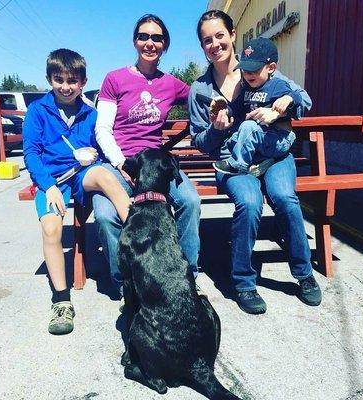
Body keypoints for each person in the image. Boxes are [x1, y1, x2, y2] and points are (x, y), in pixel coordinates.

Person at [189, 10, 322, 314]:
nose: (215, 44)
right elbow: (199, 141)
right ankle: (244, 282)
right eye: (207, 40)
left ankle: (304, 273)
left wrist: (281, 111)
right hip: (233, 162)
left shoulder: (258, 66)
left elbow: (301, 98)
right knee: (249, 204)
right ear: (202, 46)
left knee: (285, 199)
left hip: (274, 155)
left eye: (220, 35)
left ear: (232, 35)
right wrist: (216, 129)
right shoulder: (199, 90)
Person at [92, 14, 201, 305]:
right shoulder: (115, 79)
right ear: (134, 40)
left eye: (157, 38)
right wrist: (119, 164)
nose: (149, 43)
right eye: (144, 36)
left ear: (165, 45)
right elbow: (102, 128)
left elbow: (200, 97)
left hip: (155, 163)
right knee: (104, 216)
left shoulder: (171, 84)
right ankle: (126, 283)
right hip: (120, 161)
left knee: (190, 201)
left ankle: (186, 276)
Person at [23, 48, 131, 335]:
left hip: (81, 174)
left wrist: (95, 157)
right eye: (59, 79)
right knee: (51, 229)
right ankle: (61, 300)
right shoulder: (38, 111)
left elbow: (101, 146)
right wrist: (48, 187)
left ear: (83, 82)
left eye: (72, 80)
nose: (66, 86)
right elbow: (31, 154)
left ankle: (138, 234)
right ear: (49, 79)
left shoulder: (90, 113)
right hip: (52, 180)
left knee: (107, 178)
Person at [213, 37, 303, 176]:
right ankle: (263, 162)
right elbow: (236, 106)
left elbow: (297, 97)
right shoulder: (246, 89)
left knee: (248, 127)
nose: (248, 74)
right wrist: (225, 111)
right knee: (234, 138)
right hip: (261, 139)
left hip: (278, 139)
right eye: (245, 69)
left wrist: (288, 98)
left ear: (271, 68)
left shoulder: (276, 86)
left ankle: (238, 166)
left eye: (254, 69)